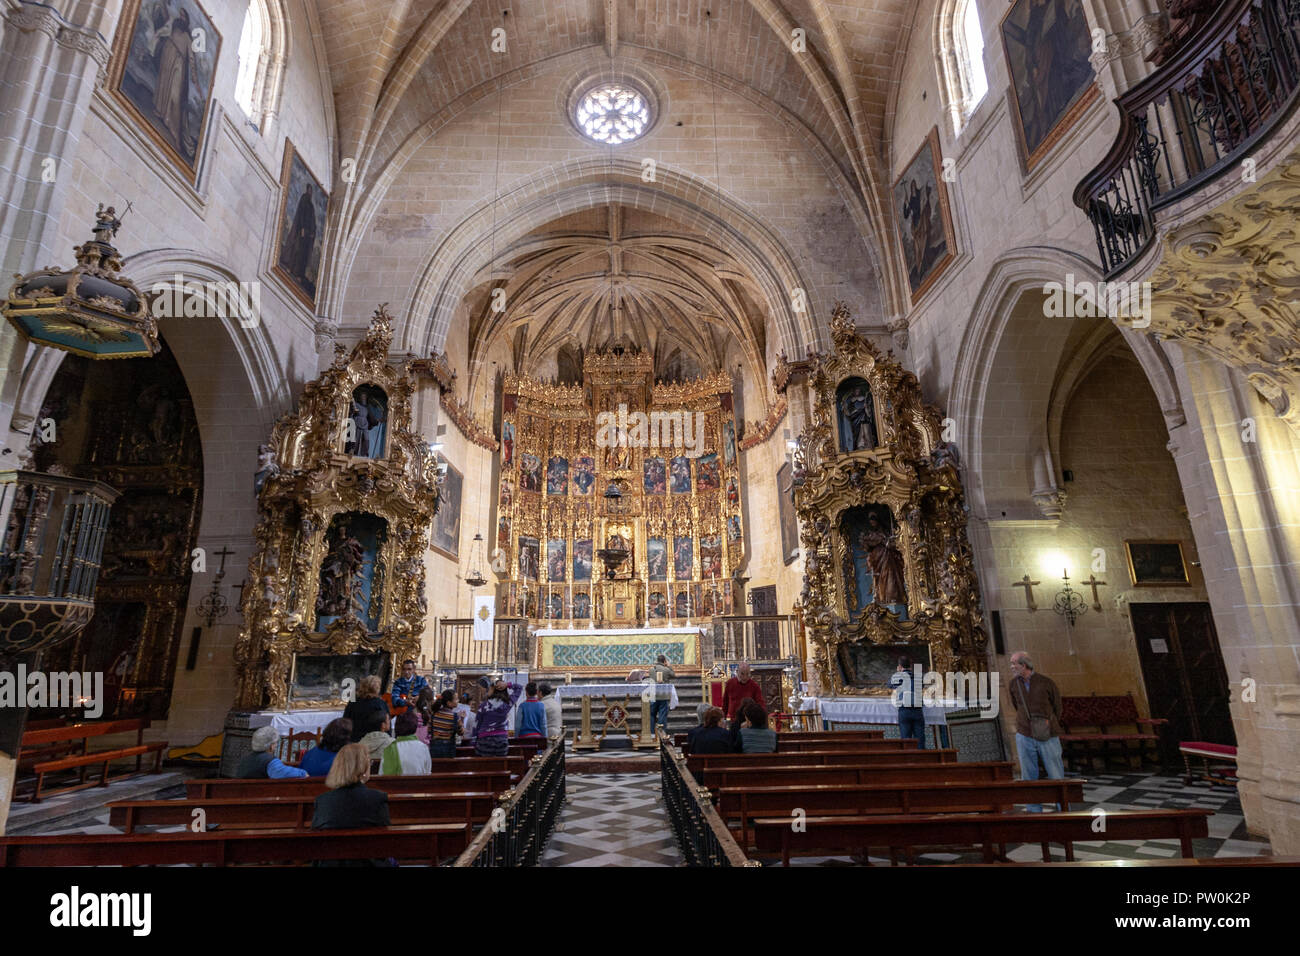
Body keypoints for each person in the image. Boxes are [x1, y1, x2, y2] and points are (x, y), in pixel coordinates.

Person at [311, 743, 393, 866]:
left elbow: (317, 844)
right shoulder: (377, 798)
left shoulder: (322, 801)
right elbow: (384, 842)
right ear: (363, 767)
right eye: (369, 763)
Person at [1007, 651, 1065, 811]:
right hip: (1024, 733)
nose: (1011, 667)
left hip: (1048, 733)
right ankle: (1033, 810)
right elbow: (1015, 705)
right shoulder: (1013, 684)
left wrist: (1047, 722)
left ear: (1024, 665)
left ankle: (1063, 807)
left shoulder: (1046, 682)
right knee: (1028, 774)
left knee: (1055, 771)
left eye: (1014, 664)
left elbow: (1057, 707)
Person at [236, 725, 310, 778]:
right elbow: (283, 773)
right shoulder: (270, 762)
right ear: (271, 746)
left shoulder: (245, 759)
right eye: (275, 743)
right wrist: (303, 773)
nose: (275, 746)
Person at [475, 679, 524, 756]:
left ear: (493, 690)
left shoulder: (483, 706)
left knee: (484, 766)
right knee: (500, 765)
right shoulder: (507, 704)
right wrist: (507, 684)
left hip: (484, 741)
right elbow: (519, 688)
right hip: (501, 742)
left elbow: (477, 725)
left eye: (490, 688)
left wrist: (473, 741)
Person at [888, 655, 927, 750]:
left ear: (900, 666)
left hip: (904, 710)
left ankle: (908, 760)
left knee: (906, 739)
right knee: (920, 738)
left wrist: (898, 672)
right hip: (917, 710)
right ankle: (923, 760)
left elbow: (889, 684)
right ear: (910, 666)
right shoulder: (918, 677)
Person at [343, 674, 388, 741]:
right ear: (377, 688)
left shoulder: (352, 702)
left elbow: (345, 721)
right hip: (373, 740)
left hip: (353, 740)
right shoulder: (380, 704)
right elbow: (386, 724)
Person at [426, 689, 462, 759]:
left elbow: (429, 730)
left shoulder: (434, 714)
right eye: (456, 699)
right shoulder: (455, 716)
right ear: (449, 703)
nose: (458, 701)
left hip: (434, 746)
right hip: (448, 748)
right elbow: (460, 732)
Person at [649, 654, 675, 735]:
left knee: (652, 714)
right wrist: (669, 666)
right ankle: (661, 734)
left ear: (657, 661)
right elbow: (673, 675)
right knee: (662, 715)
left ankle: (652, 734)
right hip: (663, 696)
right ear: (664, 661)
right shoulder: (666, 670)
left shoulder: (651, 669)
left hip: (653, 695)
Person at [539, 682, 563, 747]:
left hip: (549, 737)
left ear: (540, 693)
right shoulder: (555, 702)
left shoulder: (541, 705)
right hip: (559, 733)